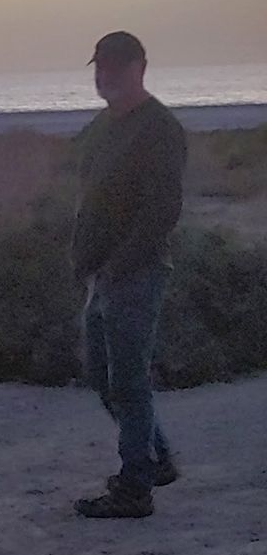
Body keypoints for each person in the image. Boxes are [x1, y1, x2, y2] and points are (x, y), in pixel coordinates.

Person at [70, 30, 184, 519]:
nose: (106, 75)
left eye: (117, 65)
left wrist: (120, 264)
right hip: (102, 274)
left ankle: (135, 488)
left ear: (141, 66)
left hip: (135, 273)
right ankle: (154, 457)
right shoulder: (104, 124)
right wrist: (84, 260)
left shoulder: (159, 128)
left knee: (129, 381)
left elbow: (162, 209)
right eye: (101, 66)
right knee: (102, 374)